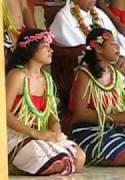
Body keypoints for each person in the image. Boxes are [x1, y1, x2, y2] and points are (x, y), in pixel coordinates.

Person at [69, 28, 125, 166]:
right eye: (113, 44)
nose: (118, 47)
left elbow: (118, 106)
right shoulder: (84, 74)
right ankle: (87, 154)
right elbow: (80, 113)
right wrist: (115, 118)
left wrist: (123, 119)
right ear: (98, 48)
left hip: (112, 128)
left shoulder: (115, 73)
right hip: (89, 129)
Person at [6, 29, 85, 175]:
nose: (51, 50)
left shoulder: (47, 78)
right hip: (17, 135)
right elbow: (4, 113)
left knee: (79, 157)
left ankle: (32, 167)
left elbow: (51, 114)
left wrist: (56, 129)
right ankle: (13, 165)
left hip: (41, 135)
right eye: (45, 46)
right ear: (31, 50)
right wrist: (34, 133)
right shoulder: (17, 75)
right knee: (56, 161)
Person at [49, 0, 125, 67]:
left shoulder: (98, 12)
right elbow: (80, 52)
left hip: (111, 61)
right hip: (91, 66)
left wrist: (122, 56)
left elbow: (114, 38)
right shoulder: (64, 18)